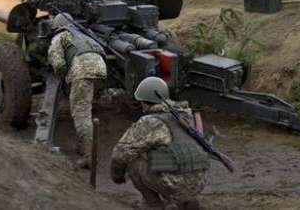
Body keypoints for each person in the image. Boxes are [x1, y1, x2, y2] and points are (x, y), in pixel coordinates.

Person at [110, 77, 210, 210]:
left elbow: (120, 154)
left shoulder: (149, 122)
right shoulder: (185, 114)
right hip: (199, 182)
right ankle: (184, 200)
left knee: (134, 161)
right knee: (161, 153)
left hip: (176, 184)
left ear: (143, 102)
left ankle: (153, 204)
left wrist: (117, 176)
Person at [47, 12, 107, 168]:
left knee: (81, 112)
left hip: (82, 70)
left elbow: (58, 64)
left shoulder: (59, 37)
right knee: (85, 107)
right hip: (100, 67)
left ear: (57, 26)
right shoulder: (83, 34)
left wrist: (64, 77)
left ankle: (89, 157)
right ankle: (82, 145)